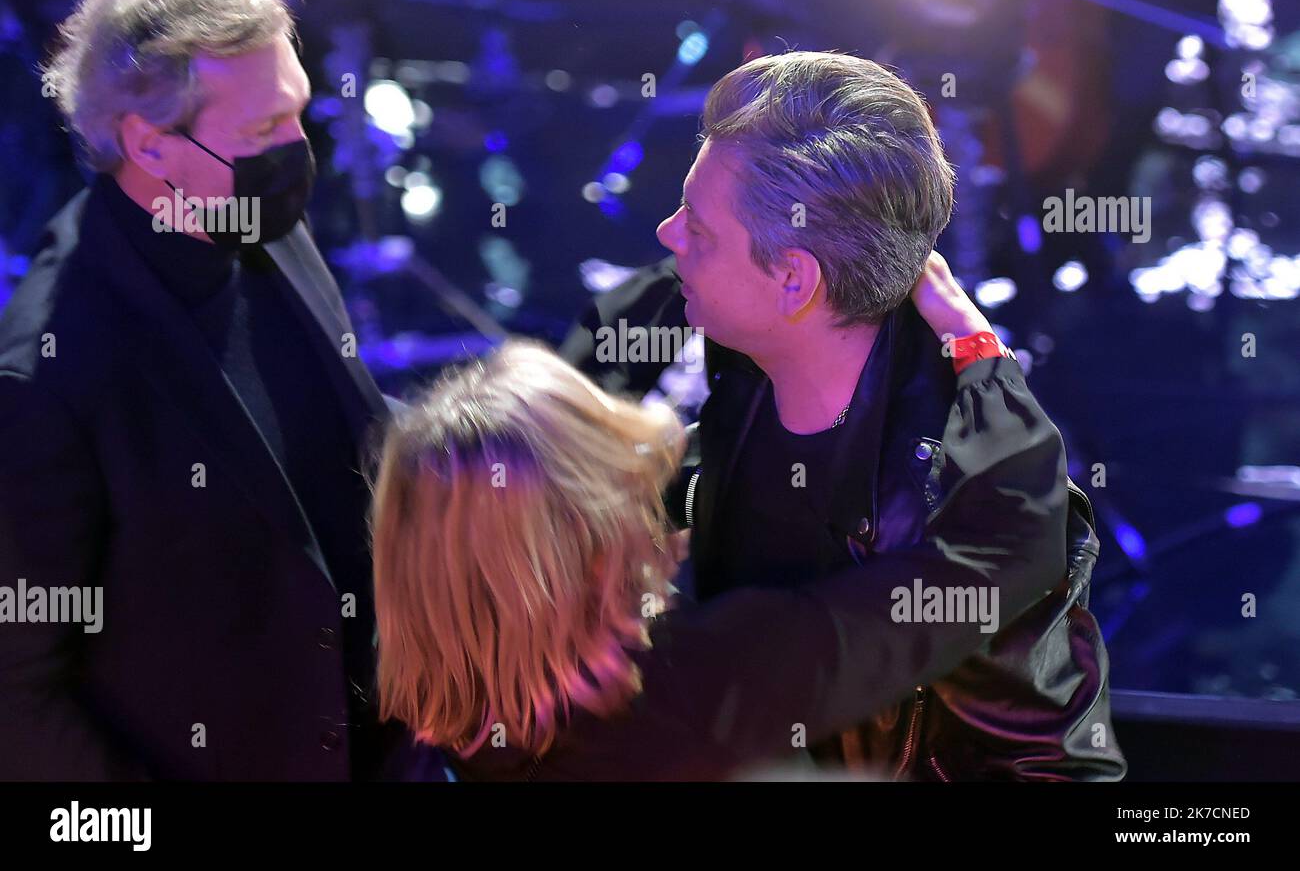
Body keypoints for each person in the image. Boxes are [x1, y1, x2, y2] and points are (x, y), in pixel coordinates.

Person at [562, 51, 1125, 780]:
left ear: (795, 278)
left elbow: (1051, 771)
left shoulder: (960, 504)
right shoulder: (742, 388)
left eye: (698, 230)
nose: (668, 235)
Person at [370, 265, 1073, 780]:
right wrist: (976, 347)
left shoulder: (437, 700)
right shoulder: (706, 683)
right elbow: (1008, 547)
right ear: (586, 545)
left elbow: (522, 465)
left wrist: (707, 270)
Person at [0, 0, 421, 779]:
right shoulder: (47, 379)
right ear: (150, 144)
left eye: (297, 113)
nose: (301, 149)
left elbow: (340, 439)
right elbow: (17, 702)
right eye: (264, 131)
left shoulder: (258, 222)